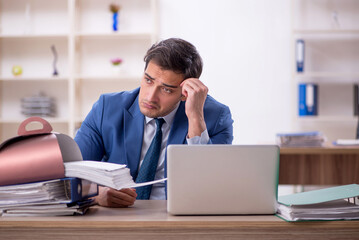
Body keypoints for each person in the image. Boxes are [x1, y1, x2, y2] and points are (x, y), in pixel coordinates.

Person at [74, 38, 233, 208]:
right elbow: (71, 173)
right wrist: (95, 194)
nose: (150, 97)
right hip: (117, 216)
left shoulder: (216, 117)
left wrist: (195, 118)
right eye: (148, 80)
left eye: (166, 89)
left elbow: (212, 186)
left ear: (184, 94)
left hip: (179, 218)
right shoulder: (107, 108)